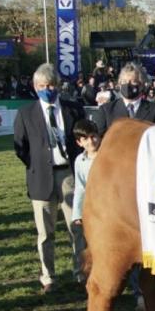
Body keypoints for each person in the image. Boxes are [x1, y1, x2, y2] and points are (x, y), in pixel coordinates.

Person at [12, 63, 84, 294]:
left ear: (58, 86)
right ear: (35, 87)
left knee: (78, 229)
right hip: (40, 178)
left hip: (69, 176)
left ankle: (81, 273)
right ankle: (48, 277)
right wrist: (37, 166)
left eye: (50, 85)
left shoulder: (74, 109)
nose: (47, 89)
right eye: (42, 86)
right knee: (45, 233)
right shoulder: (25, 113)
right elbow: (20, 147)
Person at [70, 119, 101, 285]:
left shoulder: (108, 155)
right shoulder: (79, 161)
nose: (91, 141)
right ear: (79, 142)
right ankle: (88, 275)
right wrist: (77, 214)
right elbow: (80, 188)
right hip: (92, 209)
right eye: (86, 139)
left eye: (93, 136)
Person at [93, 62, 155, 136]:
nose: (127, 85)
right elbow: (100, 141)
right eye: (124, 81)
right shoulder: (106, 111)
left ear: (141, 85)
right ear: (119, 84)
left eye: (133, 82)